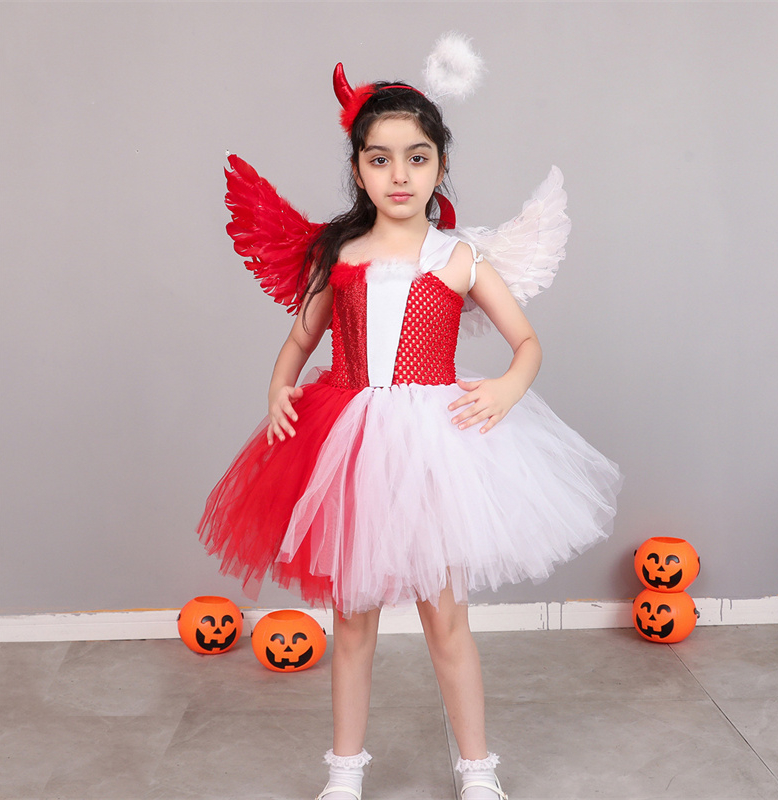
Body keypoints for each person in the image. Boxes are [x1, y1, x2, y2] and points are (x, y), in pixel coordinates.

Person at [199, 54, 622, 800]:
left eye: (416, 158)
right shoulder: (341, 256)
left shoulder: (459, 258)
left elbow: (528, 344)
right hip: (350, 443)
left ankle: (478, 768)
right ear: (358, 171)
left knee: (445, 621)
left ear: (439, 166)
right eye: (380, 159)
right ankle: (344, 771)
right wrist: (278, 388)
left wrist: (506, 391)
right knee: (352, 621)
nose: (399, 175)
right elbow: (303, 339)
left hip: (435, 446)